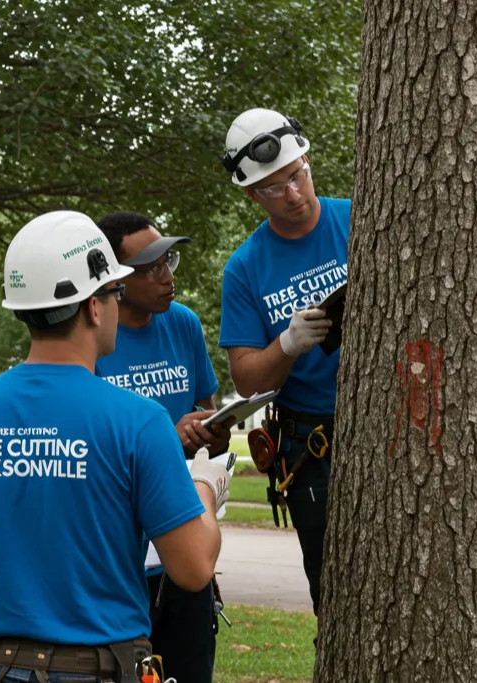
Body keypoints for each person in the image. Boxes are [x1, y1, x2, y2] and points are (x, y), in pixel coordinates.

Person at [0, 210, 232, 683]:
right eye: (115, 292)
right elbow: (191, 568)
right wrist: (204, 485)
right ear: (92, 306)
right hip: (96, 667)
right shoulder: (139, 422)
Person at [217, 108, 350, 623]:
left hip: (391, 424)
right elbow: (248, 378)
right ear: (252, 195)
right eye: (274, 188)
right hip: (314, 444)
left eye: (297, 175)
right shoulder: (247, 268)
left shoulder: (358, 217)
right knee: (333, 586)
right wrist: (287, 344)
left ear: (307, 160)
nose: (293, 194)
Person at [94, 211, 233, 683]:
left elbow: (213, 433)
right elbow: (89, 458)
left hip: (183, 547)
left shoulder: (184, 325)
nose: (166, 276)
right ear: (113, 277)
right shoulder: (91, 344)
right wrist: (164, 439)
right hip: (119, 564)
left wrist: (210, 431)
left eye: (167, 259)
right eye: (149, 266)